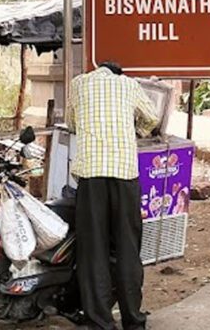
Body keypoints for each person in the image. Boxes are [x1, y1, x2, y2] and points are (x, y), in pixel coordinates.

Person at [67, 61, 158, 330]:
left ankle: (100, 322)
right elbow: (151, 118)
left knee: (93, 250)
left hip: (91, 177)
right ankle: (133, 319)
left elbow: (72, 123)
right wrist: (136, 130)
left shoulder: (79, 84)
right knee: (127, 248)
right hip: (124, 175)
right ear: (119, 72)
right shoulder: (130, 85)